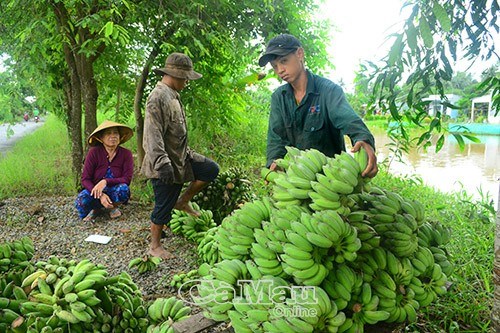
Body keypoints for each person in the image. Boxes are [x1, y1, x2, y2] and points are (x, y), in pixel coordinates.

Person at [259, 34, 378, 178]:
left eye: (284, 61)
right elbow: (276, 137)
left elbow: (348, 120)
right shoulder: (279, 97)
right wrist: (273, 161)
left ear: (299, 54)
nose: (280, 70)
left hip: (332, 178)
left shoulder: (328, 91)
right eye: (275, 66)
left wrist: (363, 139)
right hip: (297, 177)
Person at [141, 53, 220, 259]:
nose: (187, 81)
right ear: (174, 75)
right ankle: (154, 246)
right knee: (163, 205)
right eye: (185, 77)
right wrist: (161, 162)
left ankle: (183, 200)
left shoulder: (173, 94)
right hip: (165, 163)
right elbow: (152, 133)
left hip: (182, 157)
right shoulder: (157, 97)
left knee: (210, 169)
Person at [75, 120, 134, 222]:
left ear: (120, 136)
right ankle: (96, 209)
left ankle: (112, 207)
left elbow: (127, 179)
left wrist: (105, 181)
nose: (113, 136)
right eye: (108, 133)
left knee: (124, 190)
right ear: (101, 138)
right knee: (81, 201)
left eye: (115, 133)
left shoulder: (126, 154)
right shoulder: (94, 153)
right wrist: (100, 195)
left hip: (114, 189)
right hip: (95, 190)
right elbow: (85, 179)